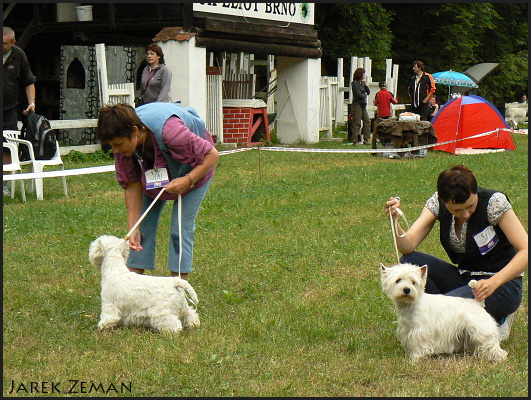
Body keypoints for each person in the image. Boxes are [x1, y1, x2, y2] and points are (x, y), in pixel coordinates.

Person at [384, 165, 527, 339]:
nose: (465, 214)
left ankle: (499, 318)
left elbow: (526, 250)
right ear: (444, 202)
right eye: (457, 210)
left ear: (475, 193)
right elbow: (407, 246)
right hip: (465, 278)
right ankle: (446, 319)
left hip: (503, 284)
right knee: (411, 260)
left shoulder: (495, 203)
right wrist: (395, 221)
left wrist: (494, 282)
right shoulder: (436, 203)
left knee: (445, 309)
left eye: (470, 206)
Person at [96, 102, 219, 280]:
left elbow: (212, 155)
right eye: (111, 145)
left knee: (180, 228)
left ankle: (178, 287)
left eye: (119, 144)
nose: (116, 150)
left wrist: (188, 179)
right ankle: (134, 283)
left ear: (136, 132)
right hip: (157, 171)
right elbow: (132, 184)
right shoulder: (122, 136)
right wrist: (133, 227)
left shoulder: (171, 132)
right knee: (142, 227)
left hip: (196, 168)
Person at [3, 26, 36, 196]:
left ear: (13, 43)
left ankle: (4, 186)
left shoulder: (19, 55)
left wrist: (31, 103)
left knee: (7, 148)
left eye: (4, 44)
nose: (1, 46)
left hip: (9, 110)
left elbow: (28, 81)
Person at [351, 67, 371, 145]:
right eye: (363, 73)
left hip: (363, 104)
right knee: (357, 122)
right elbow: (359, 94)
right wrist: (364, 95)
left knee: (367, 121)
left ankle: (366, 139)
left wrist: (365, 84)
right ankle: (355, 140)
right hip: (357, 104)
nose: (364, 75)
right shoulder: (355, 83)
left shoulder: (362, 83)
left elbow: (368, 92)